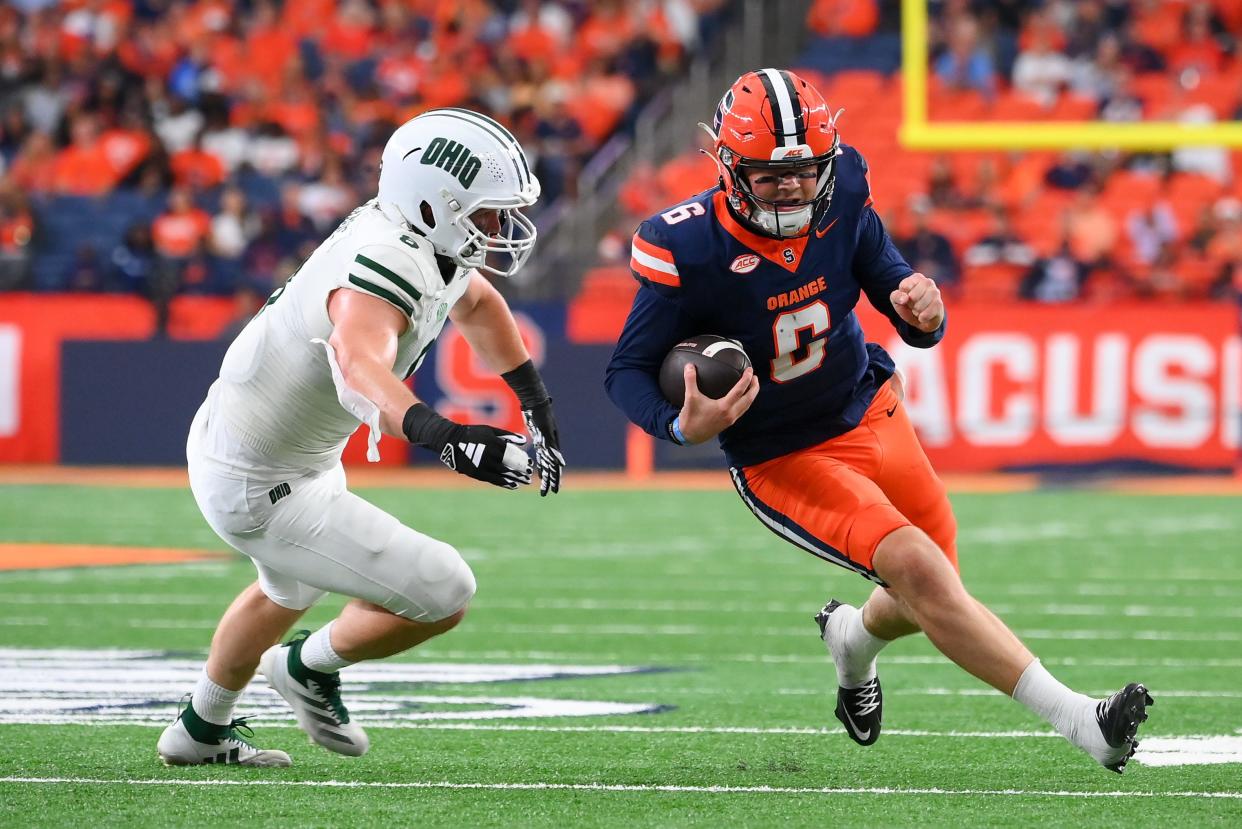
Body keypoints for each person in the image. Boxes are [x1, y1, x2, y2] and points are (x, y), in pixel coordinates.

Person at [605, 69, 1152, 772]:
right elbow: (625, 370)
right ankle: (1085, 722)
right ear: (727, 165)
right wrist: (681, 425)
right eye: (771, 176)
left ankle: (852, 641)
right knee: (920, 571)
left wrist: (922, 311)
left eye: (806, 171)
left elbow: (889, 281)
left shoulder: (848, 191)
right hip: (785, 455)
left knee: (932, 587)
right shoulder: (685, 245)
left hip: (872, 406)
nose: (794, 188)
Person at [157, 108, 566, 767]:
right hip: (262, 478)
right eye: (486, 213)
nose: (498, 228)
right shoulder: (382, 259)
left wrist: (534, 400)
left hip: (269, 449)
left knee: (285, 590)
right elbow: (359, 365)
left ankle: (198, 729)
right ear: (436, 203)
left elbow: (477, 302)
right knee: (443, 590)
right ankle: (306, 667)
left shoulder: (423, 238)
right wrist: (451, 438)